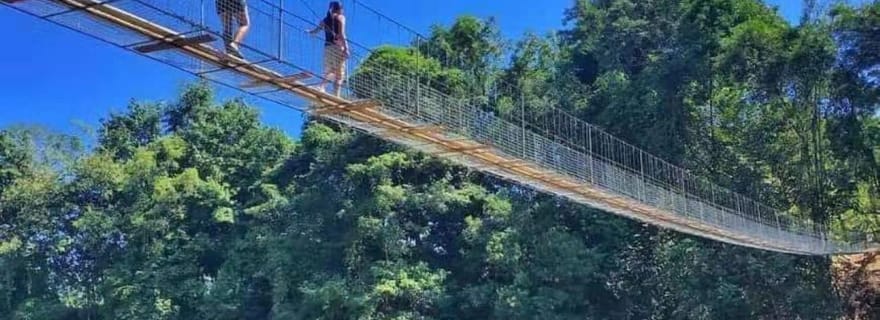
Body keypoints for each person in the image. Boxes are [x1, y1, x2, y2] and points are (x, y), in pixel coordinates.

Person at [308, 1, 350, 96]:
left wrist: (310, 32)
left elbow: (316, 30)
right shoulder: (341, 17)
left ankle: (321, 87)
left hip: (327, 47)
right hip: (338, 47)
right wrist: (346, 48)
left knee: (330, 70)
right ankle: (336, 95)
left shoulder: (325, 20)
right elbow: (342, 34)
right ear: (340, 9)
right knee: (339, 75)